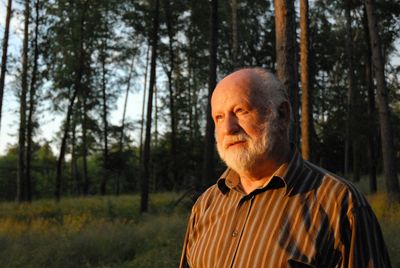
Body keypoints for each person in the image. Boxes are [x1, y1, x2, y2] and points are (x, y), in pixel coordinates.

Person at [179, 68, 391, 268]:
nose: (228, 128)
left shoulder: (340, 204)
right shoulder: (206, 205)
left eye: (240, 111)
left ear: (282, 115)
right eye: (219, 117)